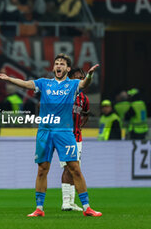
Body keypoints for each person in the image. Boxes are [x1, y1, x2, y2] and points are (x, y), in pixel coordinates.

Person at [0, 53, 102, 217]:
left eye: (62, 64)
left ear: (67, 68)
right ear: (53, 68)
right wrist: (9, 79)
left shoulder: (72, 84)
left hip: (65, 132)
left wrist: (90, 75)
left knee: (75, 169)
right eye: (56, 63)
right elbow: (26, 84)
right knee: (42, 169)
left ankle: (87, 207)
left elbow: (85, 83)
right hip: (45, 131)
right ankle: (39, 208)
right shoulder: (44, 83)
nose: (58, 66)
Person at [60, 68, 89, 211]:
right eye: (77, 78)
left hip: (77, 137)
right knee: (68, 167)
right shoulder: (63, 94)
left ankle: (71, 202)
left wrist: (80, 126)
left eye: (82, 78)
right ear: (70, 79)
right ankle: (65, 201)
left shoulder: (84, 98)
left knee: (75, 168)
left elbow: (86, 113)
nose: (80, 80)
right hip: (64, 136)